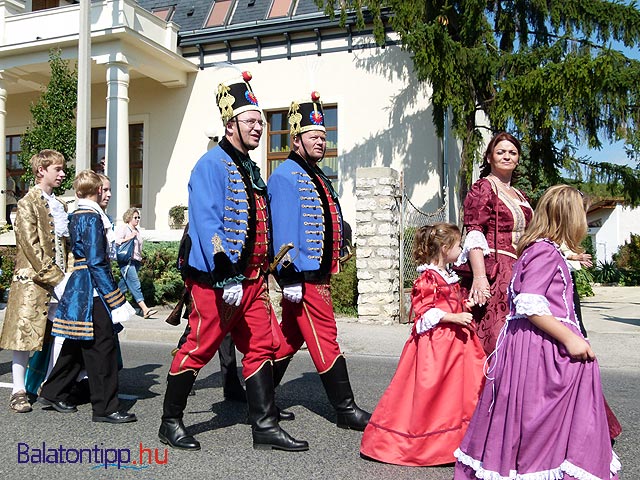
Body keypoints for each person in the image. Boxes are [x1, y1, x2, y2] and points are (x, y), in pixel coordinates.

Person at [158, 70, 308, 452]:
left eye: (261, 121)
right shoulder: (211, 164)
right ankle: (170, 422)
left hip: (254, 279)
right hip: (217, 282)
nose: (259, 127)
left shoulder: (250, 167)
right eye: (252, 121)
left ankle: (265, 427)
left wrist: (281, 269)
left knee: (264, 344)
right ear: (230, 124)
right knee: (199, 346)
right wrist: (226, 273)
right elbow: (207, 220)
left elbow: (262, 222)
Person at [454, 185, 621, 479]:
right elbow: (530, 302)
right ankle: (541, 466)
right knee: (540, 415)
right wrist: (570, 338)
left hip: (536, 344)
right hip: (544, 349)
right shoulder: (544, 251)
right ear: (569, 217)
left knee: (540, 416)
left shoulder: (543, 250)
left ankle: (546, 461)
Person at [268, 92, 370, 431]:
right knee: (326, 336)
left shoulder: (317, 175)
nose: (321, 142)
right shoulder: (285, 176)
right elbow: (282, 230)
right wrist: (289, 276)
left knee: (289, 339)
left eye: (324, 137)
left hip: (317, 272)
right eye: (314, 136)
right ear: (296, 139)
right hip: (303, 276)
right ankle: (345, 409)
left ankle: (261, 400)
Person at [360, 223, 486, 466]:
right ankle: (425, 443)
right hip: (436, 346)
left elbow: (449, 302)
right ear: (446, 247)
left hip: (456, 345)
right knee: (433, 393)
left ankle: (458, 442)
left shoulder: (447, 275)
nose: (461, 250)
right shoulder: (428, 278)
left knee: (460, 391)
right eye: (458, 245)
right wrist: (453, 317)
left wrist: (465, 306)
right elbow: (424, 313)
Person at [39, 169, 137, 423]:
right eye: (104, 189)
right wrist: (115, 298)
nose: (108, 194)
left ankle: (52, 391)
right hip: (92, 286)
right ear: (94, 191)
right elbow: (96, 261)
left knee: (79, 341)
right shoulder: (92, 217)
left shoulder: (81, 214)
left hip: (82, 284)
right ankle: (105, 407)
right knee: (101, 346)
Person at [0, 150, 70, 413]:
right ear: (41, 170)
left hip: (61, 278)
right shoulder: (27, 202)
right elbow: (30, 246)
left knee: (61, 332)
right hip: (32, 280)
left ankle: (49, 386)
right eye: (57, 169)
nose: (62, 174)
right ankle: (18, 390)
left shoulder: (61, 205)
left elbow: (66, 244)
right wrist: (56, 278)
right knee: (24, 335)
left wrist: (69, 274)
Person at [454, 132, 534, 355]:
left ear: (518, 159)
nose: (507, 157)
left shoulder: (519, 194)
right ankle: (487, 387)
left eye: (512, 153)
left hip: (521, 271)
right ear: (489, 157)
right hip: (496, 272)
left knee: (522, 334)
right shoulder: (484, 187)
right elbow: (475, 232)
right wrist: (480, 278)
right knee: (495, 334)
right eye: (501, 152)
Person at [115, 207, 157, 319]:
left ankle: (110, 306)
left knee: (122, 287)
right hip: (127, 261)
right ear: (129, 218)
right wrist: (130, 237)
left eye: (139, 217)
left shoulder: (137, 231)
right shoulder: (125, 229)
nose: (137, 219)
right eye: (135, 217)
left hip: (136, 261)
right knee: (135, 283)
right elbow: (117, 241)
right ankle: (145, 309)